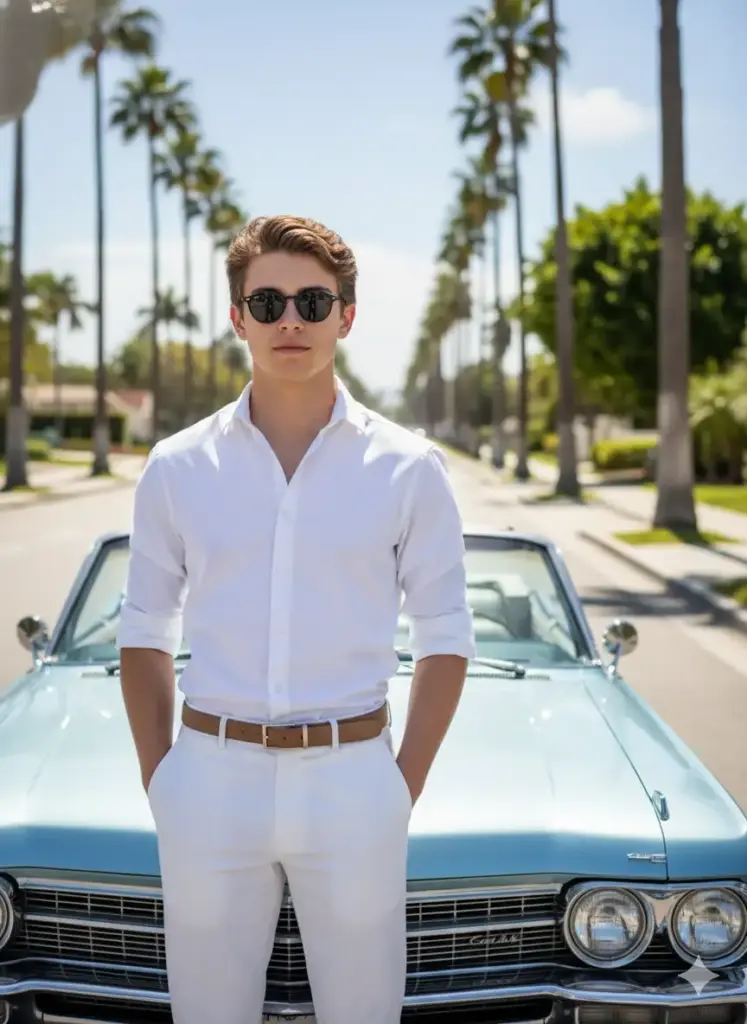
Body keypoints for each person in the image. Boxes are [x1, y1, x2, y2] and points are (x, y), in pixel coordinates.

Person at [117, 214, 475, 1024]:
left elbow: (445, 634)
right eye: (267, 302)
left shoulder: (409, 467)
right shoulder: (177, 466)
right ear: (237, 317)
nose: (289, 320)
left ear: (345, 317)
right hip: (207, 778)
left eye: (312, 302)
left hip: (354, 779)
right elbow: (144, 628)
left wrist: (399, 787)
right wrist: (162, 779)